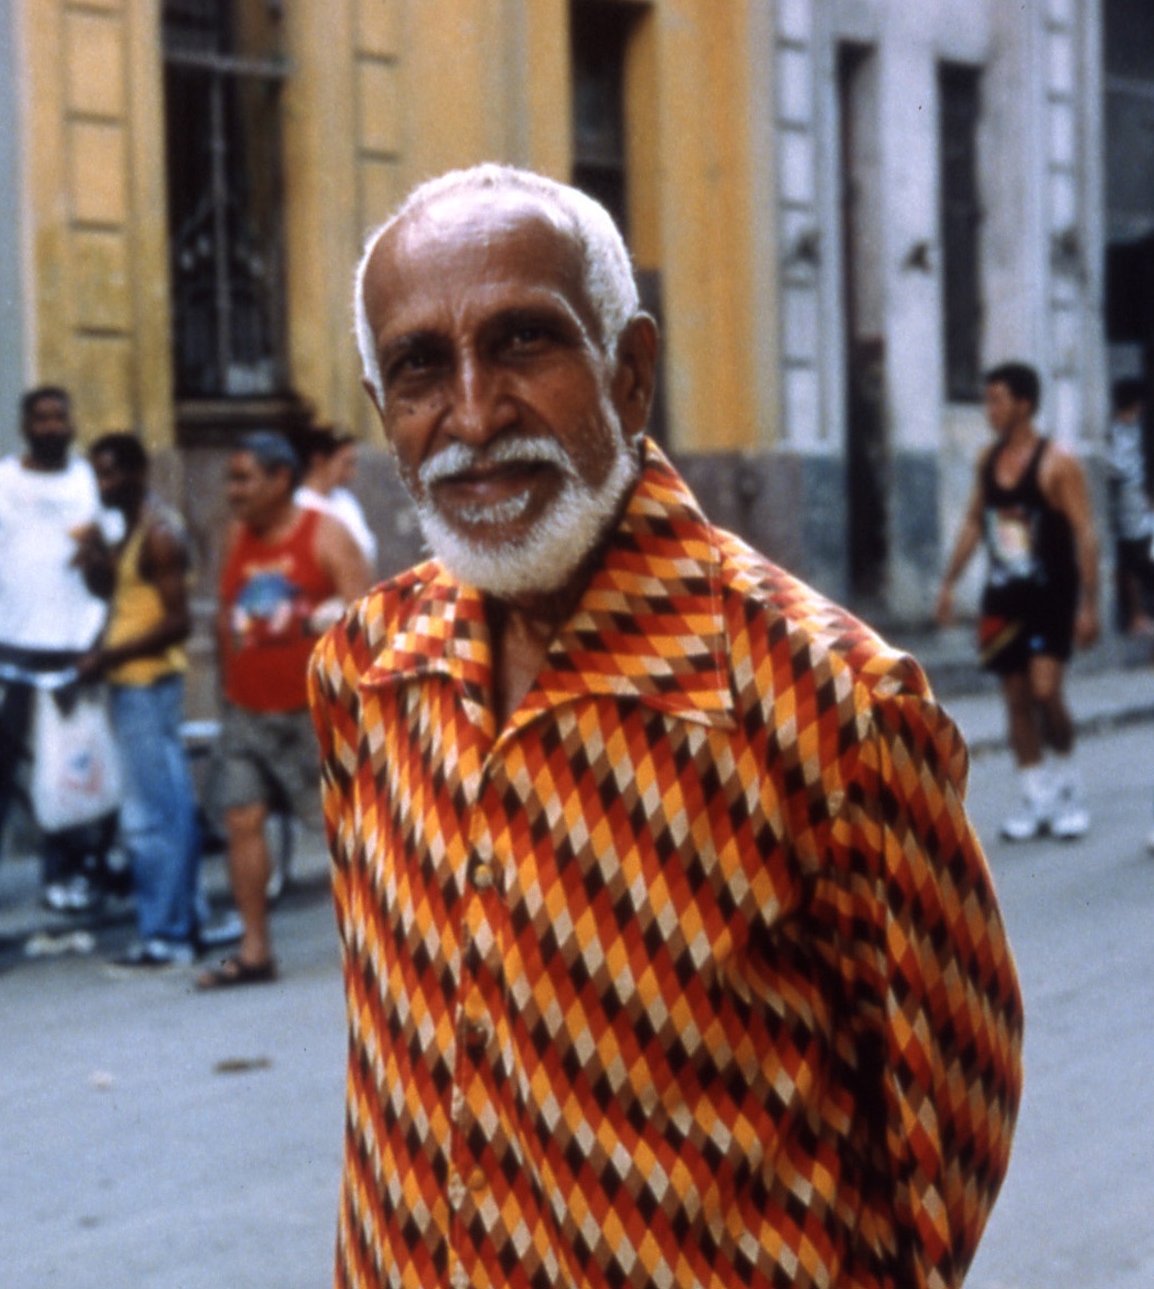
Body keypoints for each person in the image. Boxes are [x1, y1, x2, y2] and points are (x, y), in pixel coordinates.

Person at [310, 165, 1023, 1289]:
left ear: (630, 373)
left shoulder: (827, 703)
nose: (474, 414)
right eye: (418, 369)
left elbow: (950, 1117)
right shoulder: (367, 671)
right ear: (383, 413)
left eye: (524, 344)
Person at [200, 431, 370, 988]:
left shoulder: (326, 535)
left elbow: (369, 623)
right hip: (247, 711)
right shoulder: (235, 538)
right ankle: (255, 952)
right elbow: (224, 615)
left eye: (244, 478)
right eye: (231, 478)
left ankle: (382, 943)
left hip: (312, 714)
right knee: (241, 818)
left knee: (348, 835)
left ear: (281, 480)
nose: (233, 491)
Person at [0, 386, 113, 916]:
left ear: (70, 423)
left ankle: (63, 877)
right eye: (40, 417)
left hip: (70, 645)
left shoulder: (89, 481)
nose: (50, 426)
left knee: (66, 768)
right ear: (24, 426)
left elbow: (107, 560)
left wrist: (95, 559)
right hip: (7, 643)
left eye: (59, 416)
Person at [936, 361, 1100, 841]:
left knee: (1047, 691)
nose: (989, 409)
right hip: (1003, 597)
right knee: (1015, 699)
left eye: (997, 400)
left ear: (1023, 405)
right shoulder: (988, 459)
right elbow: (972, 522)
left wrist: (1089, 604)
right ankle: (1036, 794)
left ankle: (1068, 783)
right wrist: (948, 583)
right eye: (987, 399)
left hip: (1051, 596)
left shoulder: (1058, 462)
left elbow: (1085, 535)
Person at [81, 433, 201, 967]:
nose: (101, 486)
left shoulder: (159, 535)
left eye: (109, 474)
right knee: (167, 810)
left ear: (135, 474)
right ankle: (184, 921)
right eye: (96, 475)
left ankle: (164, 933)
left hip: (146, 685)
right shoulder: (129, 531)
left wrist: (107, 658)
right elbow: (121, 600)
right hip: (133, 683)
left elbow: (178, 622)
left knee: (150, 819)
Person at [1105, 377, 1154, 635]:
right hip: (1126, 505)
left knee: (1144, 555)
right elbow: (1115, 468)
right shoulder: (1114, 430)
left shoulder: (1135, 428)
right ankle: (1136, 616)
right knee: (1132, 561)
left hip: (1138, 503)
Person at [294, 424, 378, 570]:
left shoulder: (346, 500)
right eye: (345, 464)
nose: (352, 473)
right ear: (319, 461)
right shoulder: (298, 504)